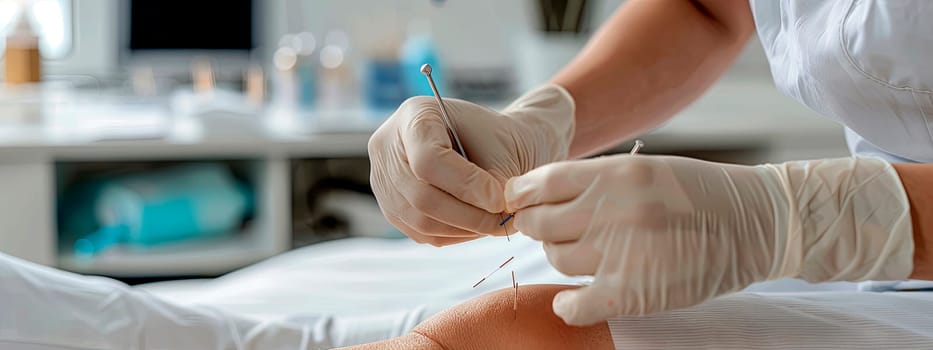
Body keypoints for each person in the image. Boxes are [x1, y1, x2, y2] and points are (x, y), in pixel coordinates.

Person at [368, 0, 933, 326]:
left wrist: (803, 219)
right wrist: (541, 122)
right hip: (877, 281)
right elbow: (709, 9)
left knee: (500, 330)